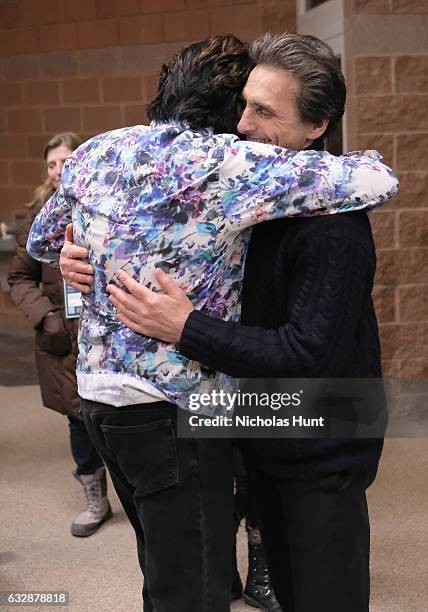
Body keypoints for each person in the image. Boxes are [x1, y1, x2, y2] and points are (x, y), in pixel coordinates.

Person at [28, 34, 397, 612]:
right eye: (244, 105)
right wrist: (87, 253)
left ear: (318, 124)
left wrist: (181, 323)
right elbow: (378, 181)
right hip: (232, 416)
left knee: (290, 588)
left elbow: (307, 352)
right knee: (197, 577)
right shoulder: (237, 181)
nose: (244, 126)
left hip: (310, 431)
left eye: (265, 111)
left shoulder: (328, 219)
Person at [7, 132, 112, 538]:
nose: (56, 171)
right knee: (77, 419)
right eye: (51, 164)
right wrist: (47, 316)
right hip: (60, 337)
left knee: (116, 416)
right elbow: (19, 276)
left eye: (65, 161)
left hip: (103, 333)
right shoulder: (37, 216)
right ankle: (94, 496)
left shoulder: (103, 205)